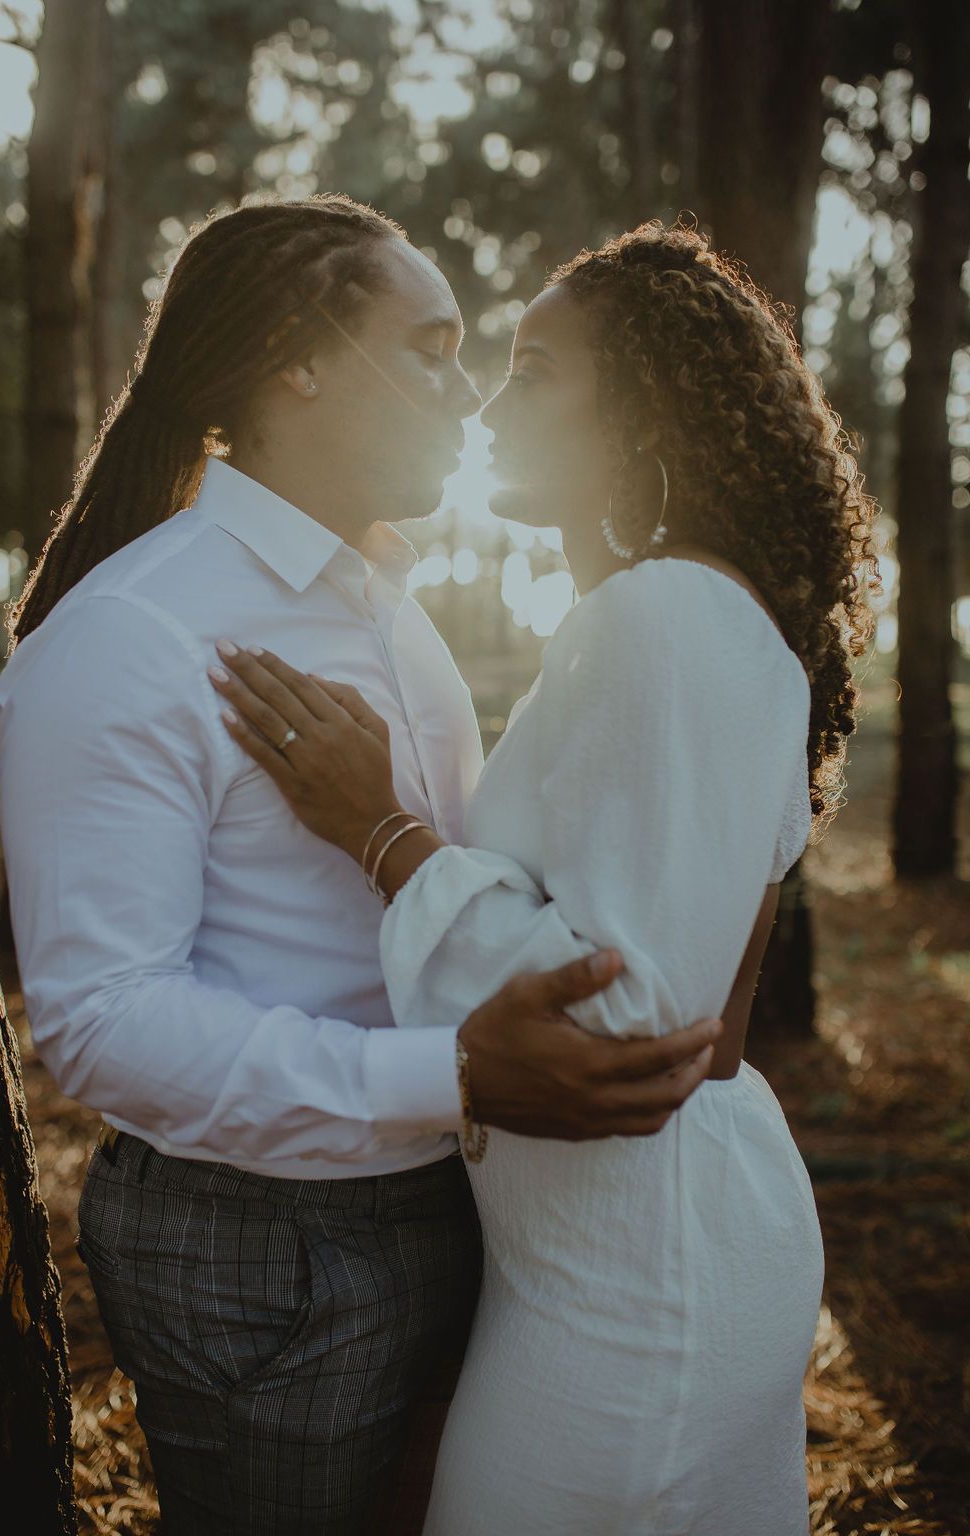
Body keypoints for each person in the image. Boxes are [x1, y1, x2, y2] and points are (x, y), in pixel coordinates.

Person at [0, 196, 725, 1535]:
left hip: (457, 1196)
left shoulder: (393, 610)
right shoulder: (134, 635)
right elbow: (101, 1023)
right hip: (265, 1245)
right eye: (434, 347)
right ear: (301, 353)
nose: (473, 399)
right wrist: (447, 1075)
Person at [210, 220, 879, 1534]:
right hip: (656, 1237)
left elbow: (635, 1022)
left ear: (642, 405)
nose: (487, 405)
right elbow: (722, 1026)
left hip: (630, 1275)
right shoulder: (706, 615)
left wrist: (384, 834)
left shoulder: (660, 615)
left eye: (533, 372)